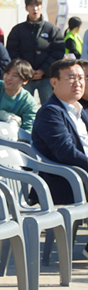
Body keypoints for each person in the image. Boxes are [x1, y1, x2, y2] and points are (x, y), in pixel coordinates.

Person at [31, 58, 88, 204]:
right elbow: (65, 152)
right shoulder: (50, 112)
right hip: (68, 183)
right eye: (71, 78)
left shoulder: (79, 110)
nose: (78, 83)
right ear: (54, 82)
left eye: (81, 78)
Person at [7, 0, 64, 104]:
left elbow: (58, 52)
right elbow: (12, 51)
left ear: (41, 7)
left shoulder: (52, 29)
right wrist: (26, 70)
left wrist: (43, 70)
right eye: (31, 5)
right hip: (24, 77)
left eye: (37, 5)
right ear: (26, 8)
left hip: (47, 77)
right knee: (22, 106)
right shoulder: (17, 30)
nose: (35, 9)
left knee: (49, 106)